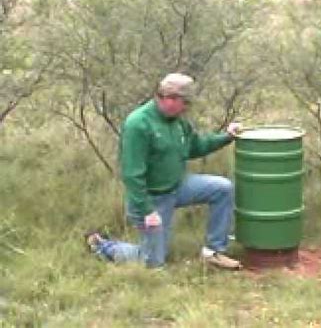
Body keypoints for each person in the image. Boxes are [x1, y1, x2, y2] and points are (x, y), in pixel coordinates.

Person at [86, 73, 242, 270]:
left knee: (222, 188)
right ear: (169, 99)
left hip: (178, 187)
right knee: (152, 261)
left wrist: (227, 136)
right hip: (152, 198)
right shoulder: (138, 123)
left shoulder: (178, 121)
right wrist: (147, 211)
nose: (186, 108)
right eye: (184, 103)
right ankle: (102, 245)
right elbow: (132, 174)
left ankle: (213, 252)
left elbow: (196, 147)